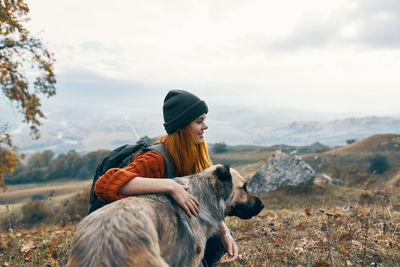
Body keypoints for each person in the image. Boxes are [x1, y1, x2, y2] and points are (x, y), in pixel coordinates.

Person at [94, 89, 238, 266]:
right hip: (129, 236)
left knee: (220, 238)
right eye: (199, 122)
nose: (205, 126)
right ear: (182, 127)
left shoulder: (194, 153)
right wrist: (170, 185)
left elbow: (205, 199)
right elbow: (104, 185)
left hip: (166, 229)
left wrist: (223, 232)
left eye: (204, 120)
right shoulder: (155, 159)